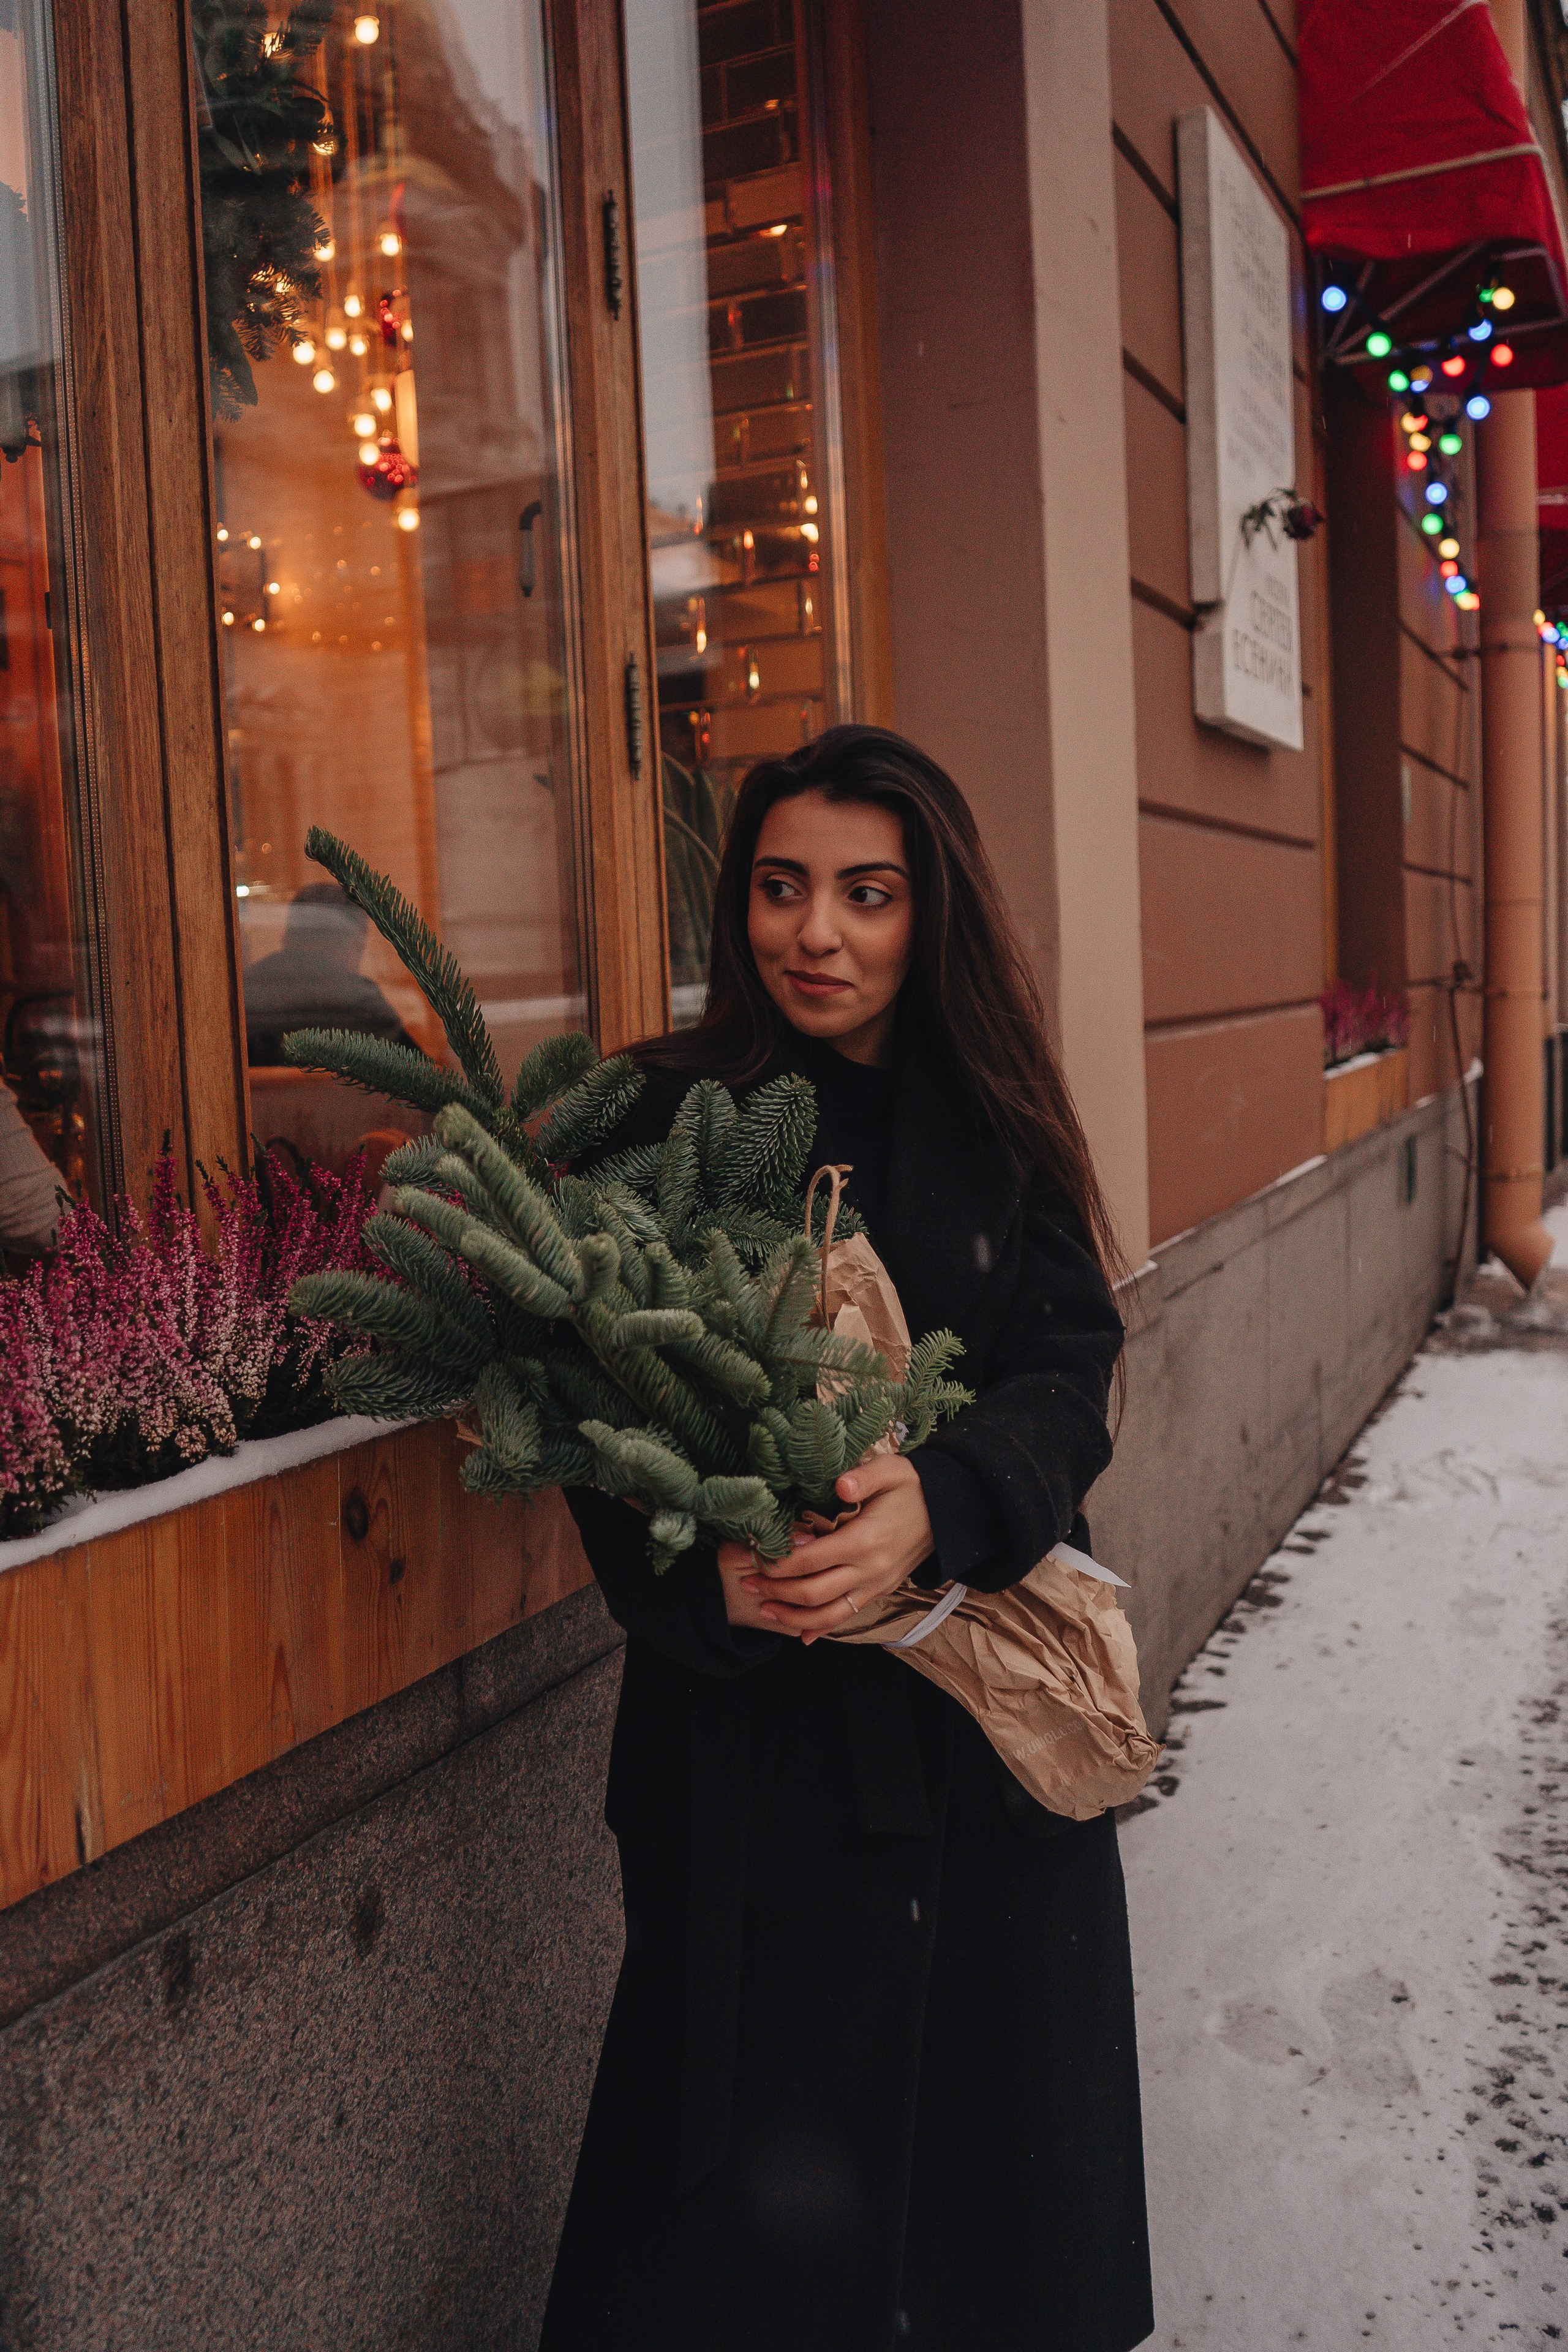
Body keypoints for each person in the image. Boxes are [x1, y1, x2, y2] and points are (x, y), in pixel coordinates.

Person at [540, 725, 1153, 2352]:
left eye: (866, 895)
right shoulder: (658, 1121)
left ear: (925, 908)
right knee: (743, 2238)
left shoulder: (996, 1116)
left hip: (972, 1744)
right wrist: (703, 1576)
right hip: (754, 1761)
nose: (818, 934)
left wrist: (940, 1515)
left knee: (986, 2218)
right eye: (782, 887)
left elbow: (1070, 1369)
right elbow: (587, 1426)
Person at [243, 881, 421, 1067]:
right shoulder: (359, 999)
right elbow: (420, 1079)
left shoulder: (246, 990)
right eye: (360, 946)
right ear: (352, 945)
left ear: (288, 936)